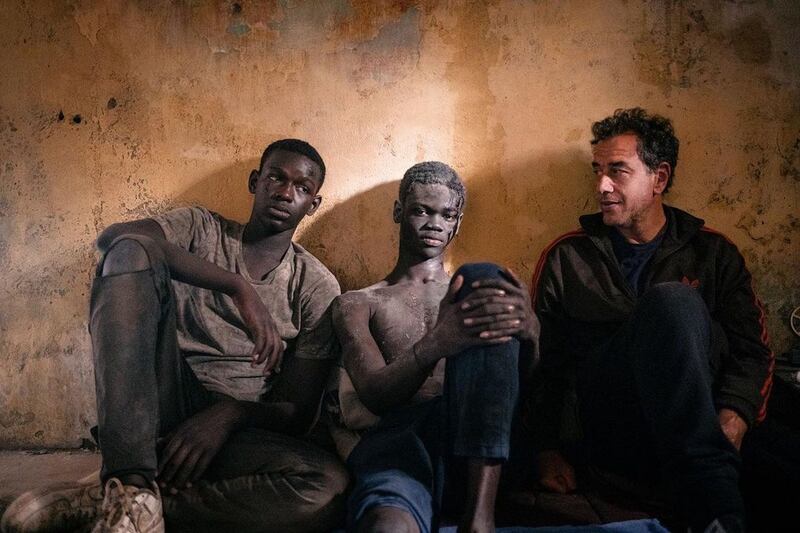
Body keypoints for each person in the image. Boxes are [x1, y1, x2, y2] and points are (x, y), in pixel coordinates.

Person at [1, 139, 348, 533]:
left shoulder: (315, 285)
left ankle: (126, 503)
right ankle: (131, 480)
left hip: (236, 431)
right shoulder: (201, 229)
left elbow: (298, 412)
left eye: (302, 188)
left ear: (313, 204)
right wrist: (238, 287)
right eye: (276, 178)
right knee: (129, 258)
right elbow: (115, 241)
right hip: (160, 404)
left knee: (327, 488)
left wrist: (229, 415)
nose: (286, 192)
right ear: (256, 182)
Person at [525, 108, 773, 531]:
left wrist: (735, 416)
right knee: (672, 303)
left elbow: (753, 350)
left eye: (618, 171)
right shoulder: (568, 256)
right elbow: (543, 364)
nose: (602, 186)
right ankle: (716, 506)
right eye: (597, 171)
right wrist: (545, 449)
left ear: (659, 178)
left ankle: (711, 509)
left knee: (675, 305)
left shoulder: (712, 253)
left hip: (696, 422)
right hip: (610, 424)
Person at [331, 161, 538, 533]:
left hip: (479, 452)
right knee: (387, 527)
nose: (434, 223)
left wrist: (532, 332)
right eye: (421, 210)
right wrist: (438, 343)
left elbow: (526, 391)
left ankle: (479, 518)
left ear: (457, 222)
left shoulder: (476, 294)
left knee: (483, 276)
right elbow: (375, 395)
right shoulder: (359, 302)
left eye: (447, 214)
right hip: (402, 445)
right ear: (398, 212)